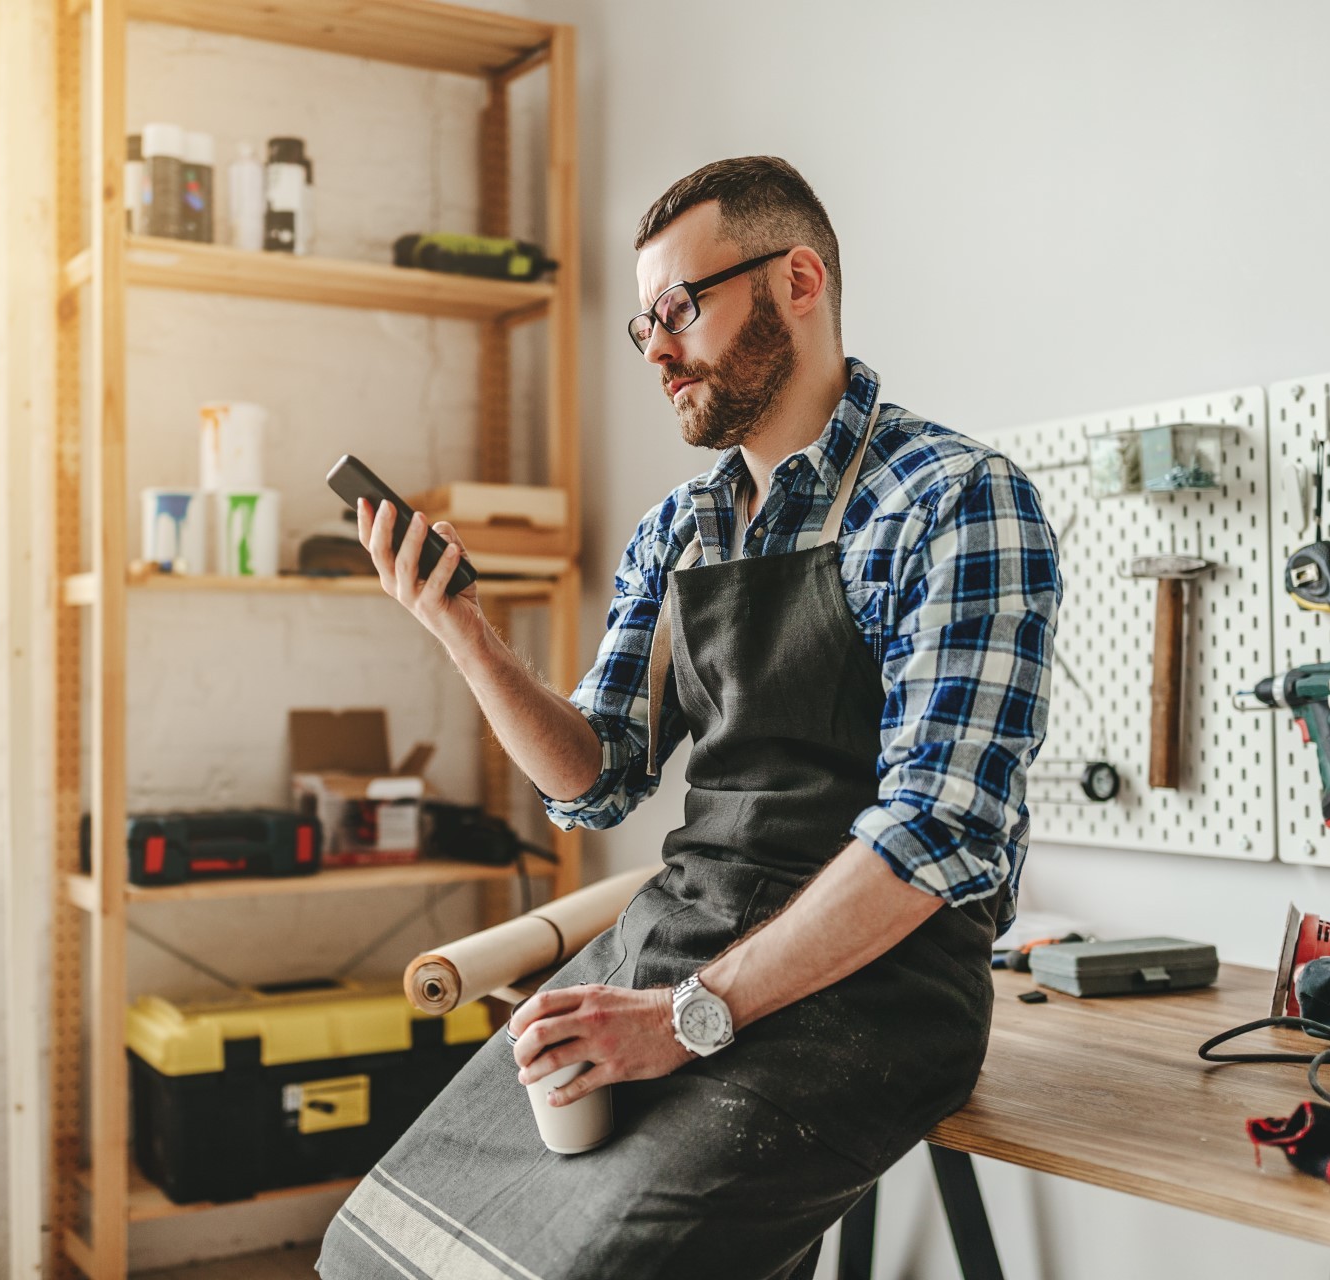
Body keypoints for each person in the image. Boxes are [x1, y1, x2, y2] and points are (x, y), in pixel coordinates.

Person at [317, 156, 1062, 1280]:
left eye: (681, 308)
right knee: (372, 1250)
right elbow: (595, 777)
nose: (657, 348)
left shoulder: (955, 499)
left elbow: (935, 836)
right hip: (683, 934)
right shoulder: (683, 526)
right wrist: (461, 630)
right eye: (644, 323)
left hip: (877, 993)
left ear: (797, 280)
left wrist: (681, 1016)